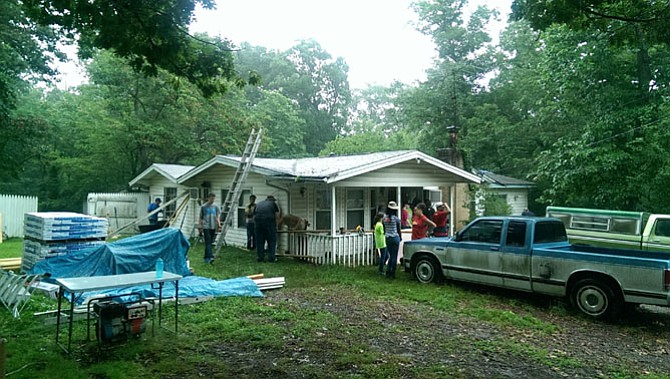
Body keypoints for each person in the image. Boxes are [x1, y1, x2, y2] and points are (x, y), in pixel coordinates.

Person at [254, 195, 280, 262]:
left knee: (260, 242)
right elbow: (277, 216)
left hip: (258, 225)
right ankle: (271, 258)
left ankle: (260, 257)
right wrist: (276, 226)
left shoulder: (258, 204)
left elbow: (254, 216)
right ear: (272, 200)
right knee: (271, 241)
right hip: (269, 224)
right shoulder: (273, 204)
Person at [199, 193, 221, 264]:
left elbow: (217, 217)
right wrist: (200, 227)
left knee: (210, 242)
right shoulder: (203, 207)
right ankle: (210, 257)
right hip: (206, 226)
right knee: (208, 242)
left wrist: (219, 225)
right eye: (211, 198)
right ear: (208, 198)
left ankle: (206, 257)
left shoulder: (216, 206)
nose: (212, 200)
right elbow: (201, 218)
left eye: (213, 198)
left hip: (213, 226)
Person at [383, 201, 403, 279]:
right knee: (394, 256)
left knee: (390, 255)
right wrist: (400, 237)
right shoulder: (396, 219)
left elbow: (384, 229)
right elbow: (398, 229)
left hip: (388, 238)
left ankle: (388, 270)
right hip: (395, 237)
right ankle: (392, 273)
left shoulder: (384, 218)